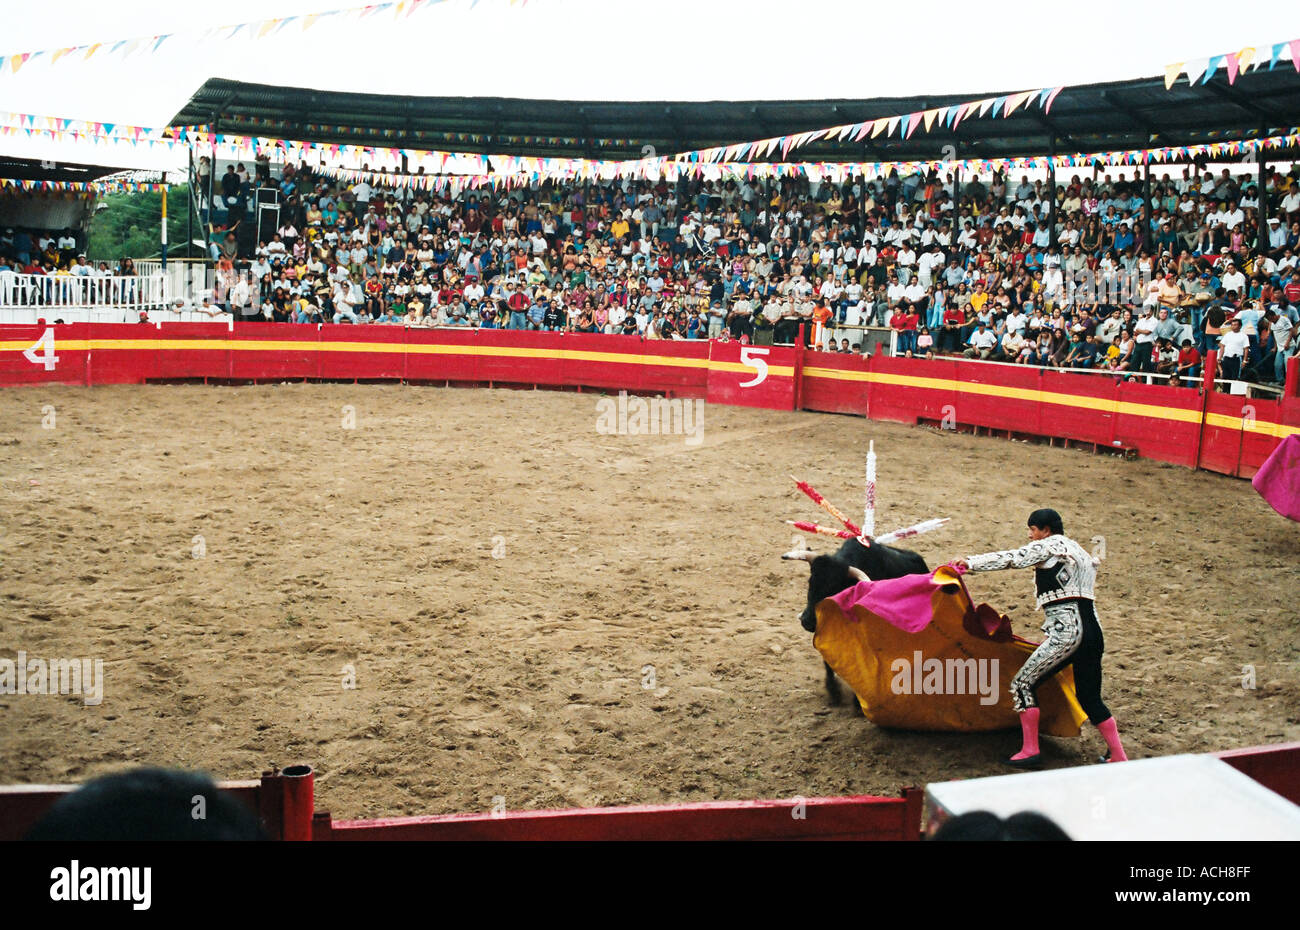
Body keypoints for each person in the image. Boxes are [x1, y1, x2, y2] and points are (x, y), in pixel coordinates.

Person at [950, 508, 1128, 768]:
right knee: (1090, 697)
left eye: (1033, 530)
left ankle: (1030, 750)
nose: (1031, 536)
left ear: (1045, 530)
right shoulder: (1081, 553)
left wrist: (971, 562)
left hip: (1068, 633)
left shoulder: (1048, 546)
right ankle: (1118, 755)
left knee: (1023, 684)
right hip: (1094, 633)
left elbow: (1014, 558)